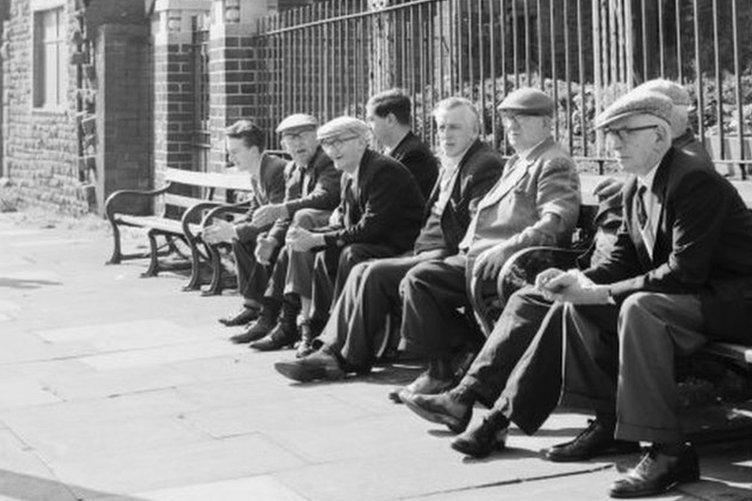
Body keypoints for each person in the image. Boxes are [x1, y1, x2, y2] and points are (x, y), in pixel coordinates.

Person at [407, 89, 752, 499]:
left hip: (733, 301)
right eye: (609, 136)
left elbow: (685, 272)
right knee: (571, 306)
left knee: (638, 308)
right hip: (686, 299)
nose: (614, 145)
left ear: (659, 136)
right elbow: (621, 262)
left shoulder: (693, 178)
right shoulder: (635, 187)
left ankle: (669, 452)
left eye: (625, 134)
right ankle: (594, 424)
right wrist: (572, 280)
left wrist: (603, 292)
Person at [272, 97, 502, 381]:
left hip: (444, 253)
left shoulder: (483, 164)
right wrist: (318, 236)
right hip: (423, 249)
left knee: (370, 269)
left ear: (475, 130)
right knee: (360, 269)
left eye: (454, 127)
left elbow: (477, 223)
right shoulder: (452, 161)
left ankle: (347, 358)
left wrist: (319, 239)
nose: (445, 134)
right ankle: (329, 349)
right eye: (441, 127)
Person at [392, 87, 580, 393]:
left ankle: (444, 370)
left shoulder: (553, 161)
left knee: (419, 280)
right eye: (507, 120)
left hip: (514, 264)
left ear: (546, 124)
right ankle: (460, 356)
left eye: (522, 119)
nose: (511, 127)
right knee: (414, 282)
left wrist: (507, 248)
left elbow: (555, 222)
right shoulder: (517, 162)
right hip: (479, 260)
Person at [271, 116, 426, 381]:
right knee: (322, 255)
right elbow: (346, 223)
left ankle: (343, 347)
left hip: (402, 245)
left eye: (339, 141)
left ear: (362, 141)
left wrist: (317, 238)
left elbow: (370, 228)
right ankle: (321, 335)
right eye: (327, 144)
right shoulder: (348, 175)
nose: (332, 150)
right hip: (376, 242)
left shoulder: (381, 170)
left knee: (350, 253)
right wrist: (312, 236)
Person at [224, 114, 343, 352]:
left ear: (317, 138)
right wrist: (271, 238)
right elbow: (283, 215)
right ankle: (275, 319)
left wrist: (283, 214)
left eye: (304, 136)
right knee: (274, 243)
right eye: (291, 138)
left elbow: (325, 196)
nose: (298, 143)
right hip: (305, 234)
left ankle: (280, 321)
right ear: (283, 146)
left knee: (296, 231)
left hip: (331, 231)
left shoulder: (326, 161)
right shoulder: (292, 170)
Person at [203, 120, 287, 312]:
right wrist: (226, 229)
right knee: (239, 239)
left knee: (248, 238)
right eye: (229, 152)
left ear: (254, 150)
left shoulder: (276, 170)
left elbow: (275, 216)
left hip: (286, 230)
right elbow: (255, 211)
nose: (230, 158)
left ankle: (266, 309)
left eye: (235, 152)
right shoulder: (256, 172)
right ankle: (252, 305)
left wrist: (233, 230)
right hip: (273, 228)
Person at [366, 88, 439, 198]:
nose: (368, 126)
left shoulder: (414, 156)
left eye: (372, 120)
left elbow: (386, 199)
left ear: (390, 119)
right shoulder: (392, 151)